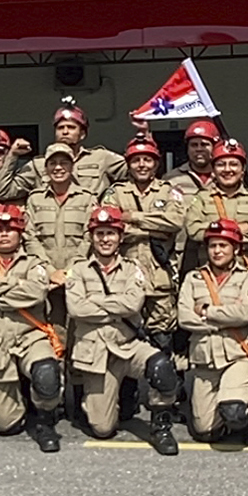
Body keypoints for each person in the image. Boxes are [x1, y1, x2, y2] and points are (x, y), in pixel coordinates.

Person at [64, 206, 180, 456]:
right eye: (100, 234)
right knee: (103, 428)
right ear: (91, 237)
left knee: (162, 368)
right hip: (96, 353)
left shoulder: (133, 268)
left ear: (121, 237)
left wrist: (95, 303)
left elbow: (133, 304)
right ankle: (94, 403)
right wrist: (116, 305)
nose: (105, 239)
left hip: (128, 346)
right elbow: (76, 308)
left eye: (111, 233)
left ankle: (161, 426)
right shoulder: (78, 269)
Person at [0, 204, 69, 452]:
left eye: (10, 230)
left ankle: (45, 423)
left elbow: (36, 293)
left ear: (20, 234)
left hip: (30, 337)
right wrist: (14, 284)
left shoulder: (35, 263)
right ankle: (16, 407)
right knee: (6, 425)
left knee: (46, 372)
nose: (4, 234)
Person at [177, 219, 248, 444]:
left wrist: (207, 311)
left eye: (223, 245)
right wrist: (225, 319)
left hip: (238, 357)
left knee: (234, 412)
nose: (217, 251)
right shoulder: (193, 278)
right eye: (213, 246)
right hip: (205, 362)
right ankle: (227, 406)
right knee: (204, 432)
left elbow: (245, 314)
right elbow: (184, 318)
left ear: (236, 248)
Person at [103, 134, 187, 359]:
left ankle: (168, 393)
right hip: (125, 276)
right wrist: (156, 227)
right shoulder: (116, 192)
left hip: (160, 276)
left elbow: (176, 222)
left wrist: (133, 217)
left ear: (156, 163)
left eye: (147, 160)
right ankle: (127, 395)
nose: (142, 165)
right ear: (128, 164)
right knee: (125, 337)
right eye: (136, 160)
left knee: (163, 336)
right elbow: (110, 227)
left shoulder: (169, 191)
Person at [5, 97, 129, 198]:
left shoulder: (101, 157)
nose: (65, 132)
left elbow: (140, 171)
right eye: (60, 128)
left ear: (82, 134)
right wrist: (12, 155)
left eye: (71, 127)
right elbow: (4, 192)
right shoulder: (39, 164)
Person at [183, 139, 248, 270]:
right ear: (213, 169)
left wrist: (214, 232)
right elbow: (193, 229)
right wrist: (237, 228)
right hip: (210, 273)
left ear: (243, 170)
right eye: (221, 164)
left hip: (247, 270)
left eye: (234, 164)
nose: (227, 169)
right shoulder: (202, 198)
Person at [26, 143, 97, 271]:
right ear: (46, 168)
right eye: (52, 163)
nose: (58, 167)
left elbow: (90, 237)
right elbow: (30, 238)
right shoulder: (35, 199)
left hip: (79, 271)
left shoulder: (86, 198)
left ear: (72, 166)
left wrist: (71, 269)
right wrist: (49, 270)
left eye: (64, 163)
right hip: (42, 271)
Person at [163, 119, 222, 196]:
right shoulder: (171, 178)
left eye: (204, 144)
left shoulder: (225, 176)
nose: (199, 149)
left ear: (215, 147)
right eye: (194, 145)